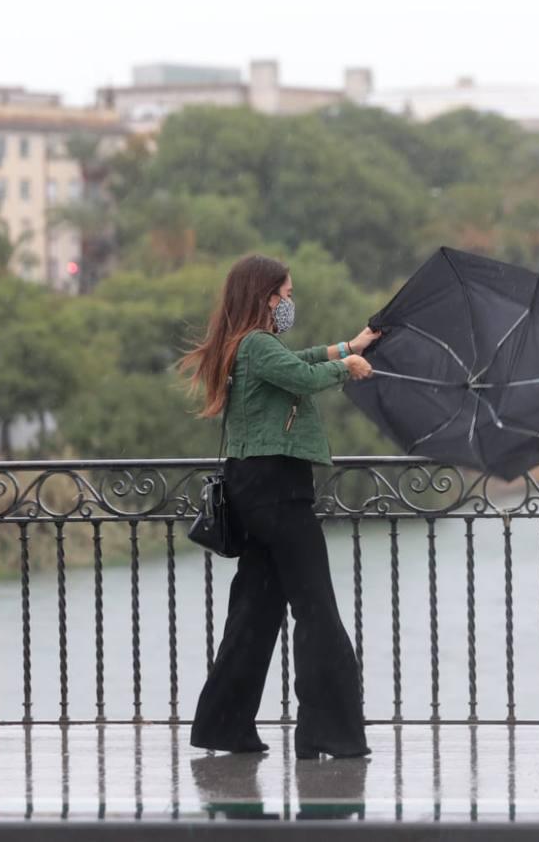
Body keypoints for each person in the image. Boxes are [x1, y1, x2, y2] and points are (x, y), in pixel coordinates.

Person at [177, 254, 379, 759]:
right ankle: (326, 732)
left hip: (256, 490)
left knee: (255, 610)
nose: (290, 303)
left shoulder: (245, 345)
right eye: (286, 295)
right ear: (266, 296)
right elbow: (304, 377)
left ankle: (224, 726)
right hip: (278, 492)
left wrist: (347, 346)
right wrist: (347, 366)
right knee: (316, 610)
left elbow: (299, 361)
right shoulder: (257, 345)